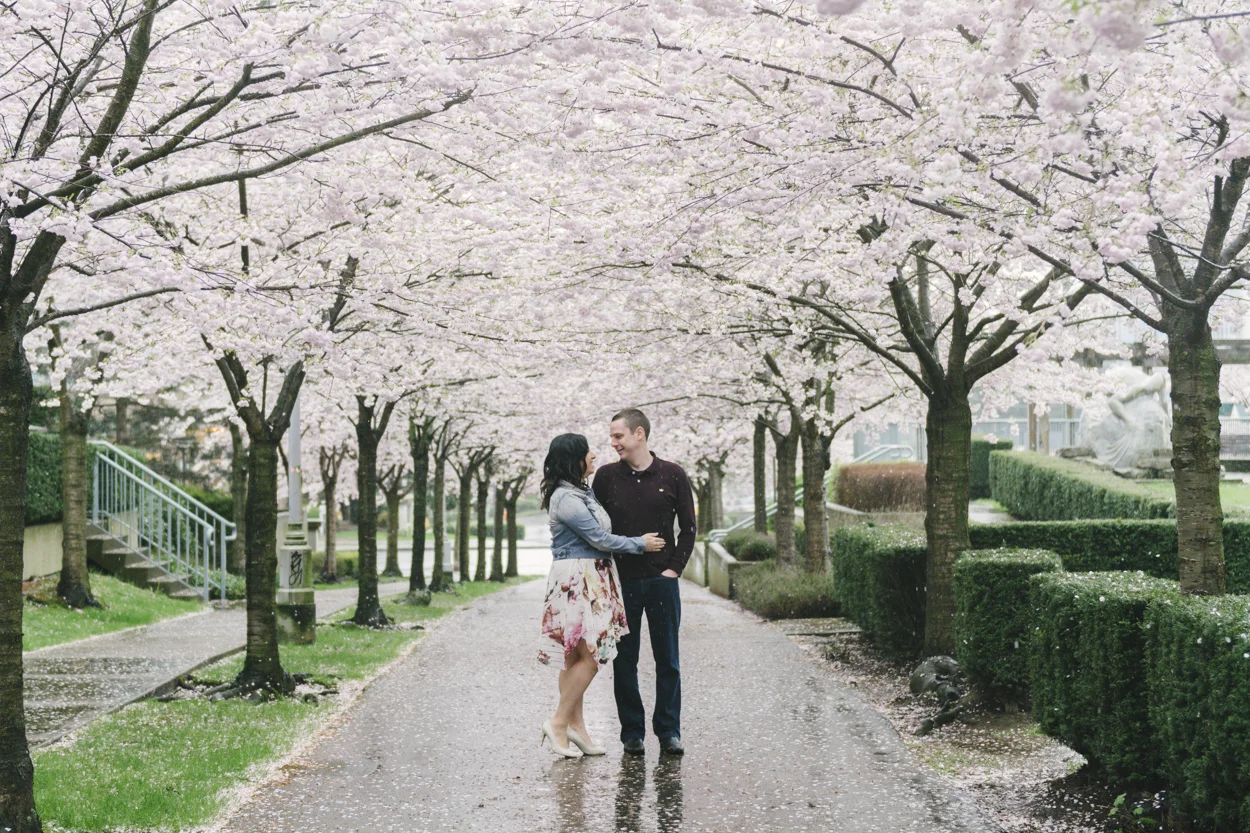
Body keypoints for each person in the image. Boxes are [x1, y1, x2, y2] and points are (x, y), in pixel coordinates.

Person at [538, 433, 664, 759]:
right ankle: (558, 722)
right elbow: (599, 538)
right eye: (587, 451)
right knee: (590, 658)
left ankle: (575, 727)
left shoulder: (581, 491)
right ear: (574, 458)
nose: (594, 454)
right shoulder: (567, 498)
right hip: (577, 579)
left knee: (575, 657)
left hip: (589, 576)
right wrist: (640, 544)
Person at [592, 408, 696, 756]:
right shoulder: (605, 477)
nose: (613, 443)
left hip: (662, 582)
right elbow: (598, 530)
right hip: (621, 584)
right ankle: (632, 733)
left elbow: (689, 527)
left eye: (618, 436)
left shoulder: (674, 474)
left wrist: (674, 570)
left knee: (668, 659)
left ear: (639, 434)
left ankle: (669, 731)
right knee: (624, 660)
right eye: (612, 436)